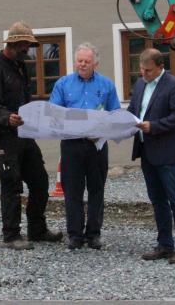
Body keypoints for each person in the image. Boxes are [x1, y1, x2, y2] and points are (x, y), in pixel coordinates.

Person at [0, 21, 64, 250]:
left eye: (29, 44)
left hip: (25, 134)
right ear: (13, 43)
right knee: (11, 185)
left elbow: (24, 98)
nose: (28, 48)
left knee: (40, 181)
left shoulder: (20, 65)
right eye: (25, 44)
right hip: (6, 137)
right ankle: (11, 235)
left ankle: (37, 229)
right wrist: (8, 117)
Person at [49, 42, 120, 250]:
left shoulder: (107, 85)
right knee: (72, 191)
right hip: (72, 145)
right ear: (75, 61)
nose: (82, 64)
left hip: (97, 145)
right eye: (79, 61)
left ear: (95, 63)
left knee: (97, 190)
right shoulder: (63, 84)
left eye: (87, 61)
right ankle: (75, 235)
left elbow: (115, 113)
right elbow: (54, 112)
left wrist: (104, 128)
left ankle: (94, 234)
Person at [127, 48, 175, 264]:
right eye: (141, 70)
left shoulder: (174, 85)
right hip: (147, 152)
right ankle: (164, 244)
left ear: (160, 67)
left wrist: (153, 126)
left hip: (168, 152)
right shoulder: (139, 84)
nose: (143, 74)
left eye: (148, 71)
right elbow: (134, 111)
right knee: (157, 200)